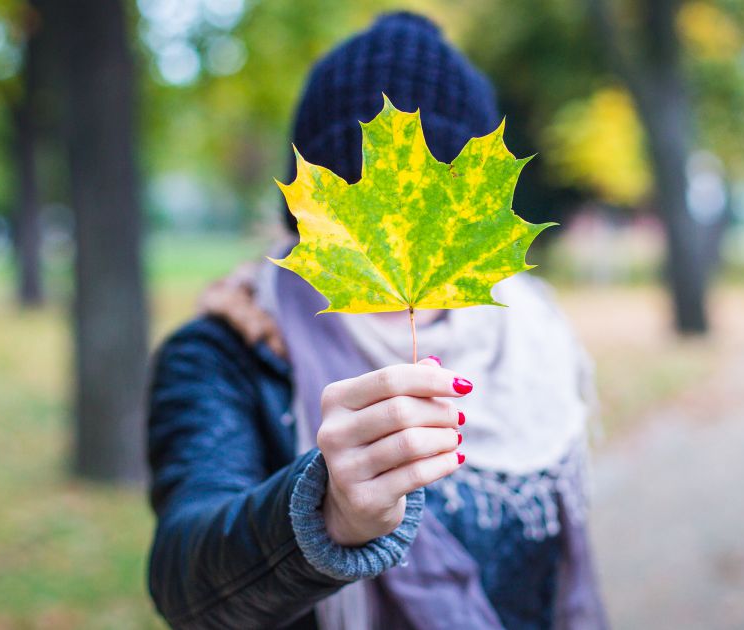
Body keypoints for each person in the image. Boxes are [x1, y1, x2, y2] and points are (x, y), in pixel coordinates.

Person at [146, 12, 608, 630]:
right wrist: (324, 516)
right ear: (308, 218)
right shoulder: (226, 354)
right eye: (364, 213)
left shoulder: (534, 333)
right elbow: (188, 586)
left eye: (431, 215)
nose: (396, 239)